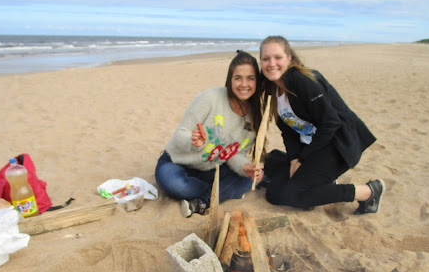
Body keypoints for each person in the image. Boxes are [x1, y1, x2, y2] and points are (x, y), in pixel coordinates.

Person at [258, 35, 384, 214]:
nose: (272, 63)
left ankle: (368, 192)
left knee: (287, 194)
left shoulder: (301, 80)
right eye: (266, 59)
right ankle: (321, 182)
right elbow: (288, 132)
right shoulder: (274, 90)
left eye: (278, 57)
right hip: (312, 146)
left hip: (337, 145)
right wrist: (294, 159)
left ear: (289, 58)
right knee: (273, 186)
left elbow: (331, 123)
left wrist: (302, 159)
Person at [155, 51, 264, 218]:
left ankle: (203, 201)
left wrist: (244, 167)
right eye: (238, 78)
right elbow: (180, 134)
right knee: (176, 185)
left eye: (250, 78)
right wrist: (193, 141)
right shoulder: (210, 98)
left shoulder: (254, 116)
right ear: (230, 79)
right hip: (177, 162)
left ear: (257, 81)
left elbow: (234, 154)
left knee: (249, 178)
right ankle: (222, 192)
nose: (244, 84)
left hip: (211, 168)